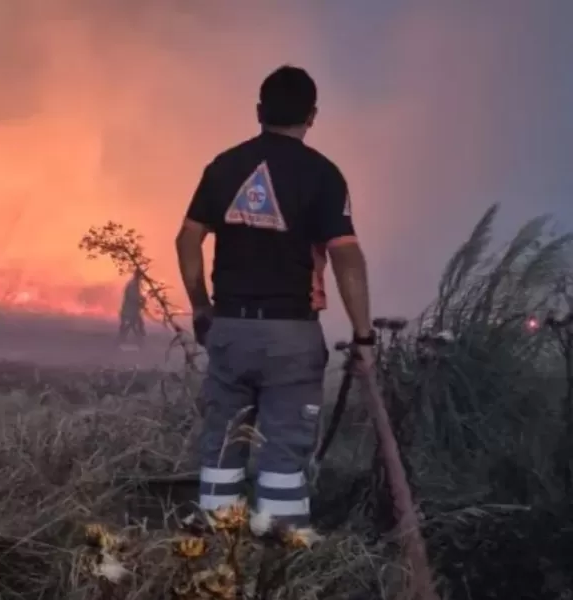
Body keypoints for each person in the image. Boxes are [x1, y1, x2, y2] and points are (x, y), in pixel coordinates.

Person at [175, 65, 375, 533]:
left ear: (259, 110)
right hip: (292, 337)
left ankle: (219, 560)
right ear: (313, 115)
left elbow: (187, 241)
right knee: (284, 451)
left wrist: (202, 307)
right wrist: (363, 335)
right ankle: (280, 559)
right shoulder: (324, 176)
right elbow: (347, 259)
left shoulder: (223, 167)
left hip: (229, 329)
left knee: (223, 444)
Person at [118, 268, 146, 346]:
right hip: (129, 310)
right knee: (133, 325)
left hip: (132, 310)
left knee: (134, 325)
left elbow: (136, 296)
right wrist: (141, 300)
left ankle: (139, 340)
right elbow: (132, 296)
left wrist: (141, 300)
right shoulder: (133, 284)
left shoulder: (135, 284)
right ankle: (139, 341)